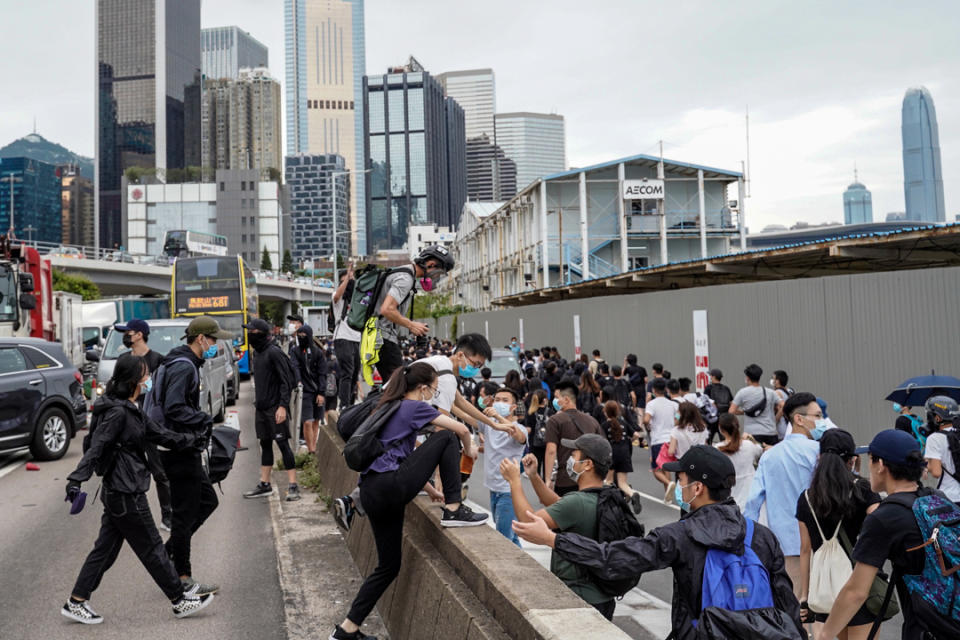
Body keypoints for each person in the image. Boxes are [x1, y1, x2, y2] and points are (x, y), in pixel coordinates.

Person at [513, 445, 803, 639]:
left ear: (698, 488)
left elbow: (614, 558)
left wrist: (553, 539)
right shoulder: (761, 536)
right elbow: (786, 603)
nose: (678, 485)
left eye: (681, 478)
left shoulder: (680, 535)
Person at [330, 364, 487, 640]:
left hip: (370, 491)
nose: (434, 393)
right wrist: (470, 448)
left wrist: (428, 487)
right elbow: (459, 428)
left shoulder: (388, 407)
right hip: (390, 487)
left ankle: (346, 630)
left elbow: (397, 456)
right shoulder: (414, 407)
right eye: (434, 388)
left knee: (388, 566)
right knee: (447, 437)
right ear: (423, 387)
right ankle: (453, 509)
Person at [62, 356, 214, 625]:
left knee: (104, 551)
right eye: (145, 375)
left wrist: (194, 441)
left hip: (119, 491)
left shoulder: (130, 408)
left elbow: (160, 434)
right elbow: (97, 447)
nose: (149, 380)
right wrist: (76, 479)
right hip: (125, 491)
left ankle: (76, 601)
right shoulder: (118, 412)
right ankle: (179, 600)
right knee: (153, 548)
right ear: (133, 380)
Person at [817, 430, 952, 640]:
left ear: (880, 465)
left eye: (870, 460)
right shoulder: (938, 499)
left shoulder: (885, 517)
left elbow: (856, 592)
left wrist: (824, 635)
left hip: (927, 629)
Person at [501, 434, 617, 619]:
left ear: (587, 464)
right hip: (601, 595)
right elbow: (559, 505)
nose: (569, 459)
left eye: (575, 455)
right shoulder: (605, 494)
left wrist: (514, 481)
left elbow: (527, 523)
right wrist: (534, 476)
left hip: (579, 597)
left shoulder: (577, 503)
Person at [159, 316, 231, 596]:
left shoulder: (182, 362)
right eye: (213, 340)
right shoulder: (184, 367)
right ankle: (183, 577)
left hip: (182, 446)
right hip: (178, 449)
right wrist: (202, 418)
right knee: (184, 514)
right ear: (201, 340)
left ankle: (167, 555)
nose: (215, 344)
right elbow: (173, 407)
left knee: (207, 501)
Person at [796, 429, 881, 639]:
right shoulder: (863, 490)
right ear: (852, 460)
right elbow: (880, 526)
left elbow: (805, 549)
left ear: (819, 458)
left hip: (826, 589)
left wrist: (805, 596)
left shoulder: (806, 498)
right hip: (858, 583)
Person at [744, 391, 822, 597]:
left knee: (793, 601)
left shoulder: (770, 456)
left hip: (784, 543)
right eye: (818, 416)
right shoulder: (820, 451)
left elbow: (753, 502)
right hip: (820, 541)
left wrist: (749, 542)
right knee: (820, 604)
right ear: (799, 419)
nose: (821, 422)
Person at [115, 318, 171, 531]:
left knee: (159, 472)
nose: (125, 335)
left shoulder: (158, 360)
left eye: (128, 332)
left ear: (139, 334)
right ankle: (132, 518)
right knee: (128, 472)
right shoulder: (123, 360)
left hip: (150, 425)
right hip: (127, 424)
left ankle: (168, 516)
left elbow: (163, 394)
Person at [374, 245, 455, 382]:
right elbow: (387, 309)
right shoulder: (405, 278)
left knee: (391, 386)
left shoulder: (405, 274)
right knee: (398, 386)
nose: (436, 277)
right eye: (438, 273)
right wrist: (411, 325)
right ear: (431, 264)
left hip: (381, 337)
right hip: (383, 338)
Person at [241, 319, 299, 501]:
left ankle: (293, 485)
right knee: (265, 444)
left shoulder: (274, 352)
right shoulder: (256, 354)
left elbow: (287, 381)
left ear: (261, 333)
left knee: (283, 445)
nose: (249, 334)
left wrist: (283, 406)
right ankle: (265, 484)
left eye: (252, 331)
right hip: (261, 408)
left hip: (276, 408)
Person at [480, 387, 527, 545]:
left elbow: (517, 435)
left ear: (513, 407)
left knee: (503, 540)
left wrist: (498, 416)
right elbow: (467, 415)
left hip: (508, 492)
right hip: (493, 490)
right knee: (511, 539)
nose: (499, 403)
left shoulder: (520, 429)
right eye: (497, 399)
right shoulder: (489, 424)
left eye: (505, 400)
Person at [543, 380, 603, 497]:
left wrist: (548, 479)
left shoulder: (555, 421)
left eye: (556, 397)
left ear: (566, 399)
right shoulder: (592, 421)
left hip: (566, 479)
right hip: (590, 479)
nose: (554, 401)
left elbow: (551, 451)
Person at [290, 323, 327, 455]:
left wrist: (321, 392)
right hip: (304, 392)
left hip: (317, 391)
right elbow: (295, 367)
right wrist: (298, 381)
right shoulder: (295, 351)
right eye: (299, 335)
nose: (301, 337)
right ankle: (311, 450)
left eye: (304, 335)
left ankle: (314, 448)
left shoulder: (317, 352)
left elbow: (323, 373)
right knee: (307, 422)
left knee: (316, 421)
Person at [599, 400, 641, 513]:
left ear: (605, 412)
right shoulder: (623, 423)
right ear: (617, 411)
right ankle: (632, 494)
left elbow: (602, 442)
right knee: (622, 483)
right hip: (624, 454)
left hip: (611, 454)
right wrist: (629, 440)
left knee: (608, 481)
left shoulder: (604, 425)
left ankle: (610, 505)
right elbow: (636, 434)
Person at [715, 413, 763, 511]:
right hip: (750, 495)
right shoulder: (749, 445)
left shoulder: (717, 449)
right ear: (738, 426)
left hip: (729, 499)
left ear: (721, 429)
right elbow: (760, 450)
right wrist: (750, 438)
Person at [730, 364, 783, 447]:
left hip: (751, 434)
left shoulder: (742, 392)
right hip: (770, 432)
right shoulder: (770, 392)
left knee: (753, 458)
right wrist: (776, 419)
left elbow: (731, 411)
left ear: (747, 378)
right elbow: (784, 405)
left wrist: (744, 412)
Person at [922, 395, 960, 503]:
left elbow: (936, 472)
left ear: (937, 418)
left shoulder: (934, 438)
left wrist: (925, 465)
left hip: (950, 497)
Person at [332, 267, 362, 409]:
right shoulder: (337, 298)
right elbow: (337, 295)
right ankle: (343, 405)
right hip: (342, 336)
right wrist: (346, 280)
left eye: (351, 280)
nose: (350, 283)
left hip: (356, 338)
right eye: (346, 280)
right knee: (347, 372)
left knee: (355, 373)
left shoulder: (357, 300)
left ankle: (350, 404)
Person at [644, 377, 678, 497]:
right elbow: (678, 417)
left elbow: (646, 419)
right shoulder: (672, 404)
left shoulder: (651, 404)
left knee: (656, 470)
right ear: (665, 389)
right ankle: (667, 495)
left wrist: (647, 425)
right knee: (666, 467)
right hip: (670, 439)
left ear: (653, 390)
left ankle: (668, 483)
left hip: (657, 439)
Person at [524, 389, 550, 479]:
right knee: (547, 467)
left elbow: (529, 429)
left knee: (536, 467)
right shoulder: (550, 412)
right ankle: (546, 484)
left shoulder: (530, 412)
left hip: (534, 443)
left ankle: (538, 487)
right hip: (548, 443)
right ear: (544, 400)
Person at [772, 370, 794, 439]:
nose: (772, 381)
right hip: (790, 425)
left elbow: (782, 408)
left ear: (777, 381)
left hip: (782, 426)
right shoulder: (789, 391)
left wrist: (774, 421)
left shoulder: (777, 392)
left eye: (773, 378)